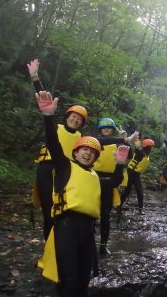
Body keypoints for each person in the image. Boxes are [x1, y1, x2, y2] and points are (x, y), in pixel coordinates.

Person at [34, 90, 129, 297]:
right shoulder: (64, 167)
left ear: (95, 158)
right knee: (68, 279)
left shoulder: (95, 176)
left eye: (92, 152)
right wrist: (48, 116)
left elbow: (114, 181)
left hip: (87, 230)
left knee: (84, 280)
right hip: (66, 226)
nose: (87, 153)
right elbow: (53, 143)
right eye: (84, 150)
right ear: (75, 152)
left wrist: (120, 164)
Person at [28, 59, 88, 240]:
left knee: (59, 210)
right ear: (67, 116)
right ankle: (48, 247)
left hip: (64, 173)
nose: (75, 120)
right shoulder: (55, 127)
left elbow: (101, 141)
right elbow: (45, 103)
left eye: (79, 119)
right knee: (48, 210)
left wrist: (124, 139)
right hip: (47, 170)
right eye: (73, 117)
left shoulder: (80, 139)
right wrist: (35, 78)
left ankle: (60, 244)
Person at [93, 117, 134, 256]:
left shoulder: (118, 144)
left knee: (105, 213)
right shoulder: (94, 141)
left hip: (110, 180)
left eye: (109, 127)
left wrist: (125, 139)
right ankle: (88, 240)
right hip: (93, 178)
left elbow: (130, 155)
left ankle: (103, 245)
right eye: (104, 127)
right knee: (90, 211)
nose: (106, 129)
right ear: (99, 129)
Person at [120, 138, 155, 215]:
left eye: (151, 148)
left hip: (136, 174)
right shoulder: (141, 152)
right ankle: (119, 206)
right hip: (131, 172)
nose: (151, 149)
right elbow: (137, 149)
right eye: (150, 147)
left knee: (137, 191)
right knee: (131, 191)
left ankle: (140, 209)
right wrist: (134, 141)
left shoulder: (146, 154)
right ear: (146, 147)